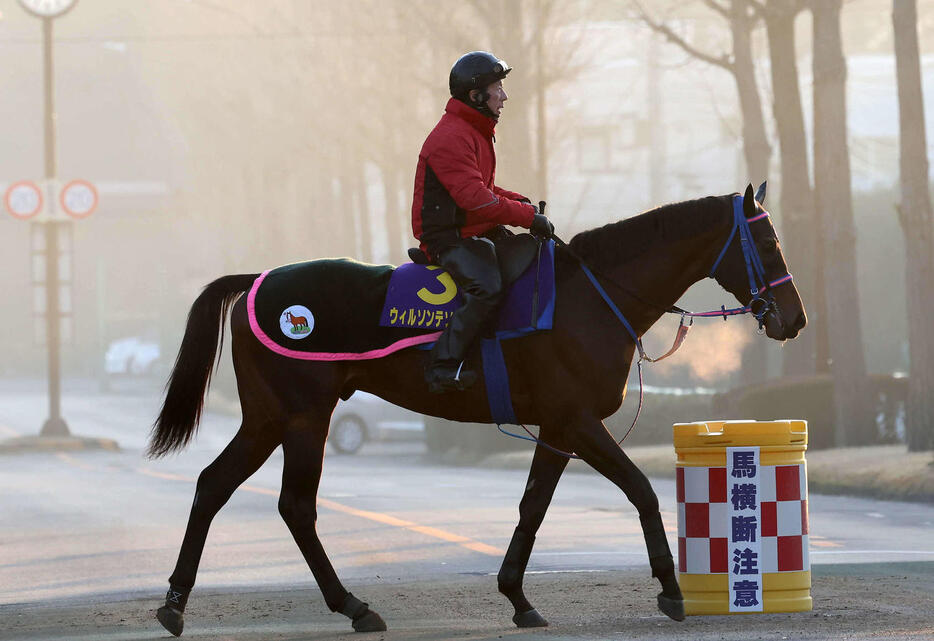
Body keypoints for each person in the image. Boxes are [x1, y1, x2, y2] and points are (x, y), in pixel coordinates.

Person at [411, 51, 555, 394]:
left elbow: (484, 188)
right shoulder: (450, 137)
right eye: (498, 88)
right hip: (448, 238)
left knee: (531, 256)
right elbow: (474, 198)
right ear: (476, 96)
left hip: (473, 230)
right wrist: (526, 217)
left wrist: (521, 202)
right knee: (486, 287)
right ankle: (442, 367)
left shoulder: (474, 130)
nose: (504, 96)